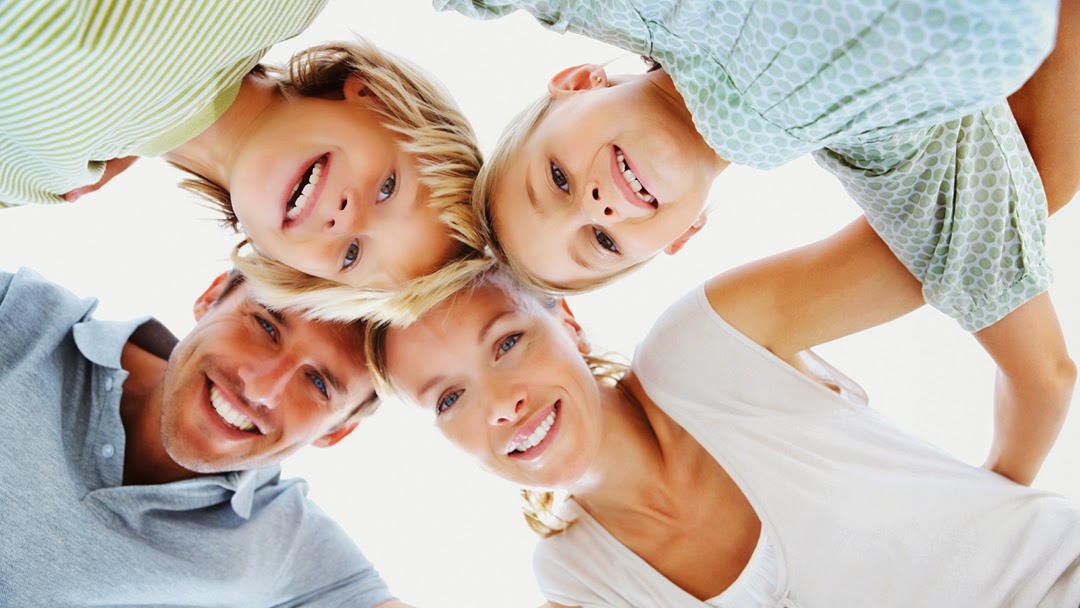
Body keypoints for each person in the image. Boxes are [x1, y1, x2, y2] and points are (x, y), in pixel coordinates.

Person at [434, 0, 1077, 485]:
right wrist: (995, 494)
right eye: (601, 240)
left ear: (577, 82)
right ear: (683, 236)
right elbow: (1043, 376)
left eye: (556, 178)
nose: (596, 205)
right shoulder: (886, 154)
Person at [368, 250, 1080, 608]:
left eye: (507, 343)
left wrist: (996, 492)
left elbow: (953, 229)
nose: (500, 405)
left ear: (570, 323)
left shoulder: (705, 345)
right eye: (449, 398)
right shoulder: (581, 576)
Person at [0, 2, 484, 321]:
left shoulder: (42, 178)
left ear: (283, 266)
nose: (346, 219)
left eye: (352, 254)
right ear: (374, 96)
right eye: (388, 188)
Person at [0, 266, 412, 607]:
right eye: (265, 325)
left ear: (336, 432)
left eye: (318, 383)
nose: (260, 389)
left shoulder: (283, 545)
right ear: (212, 296)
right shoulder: (17, 313)